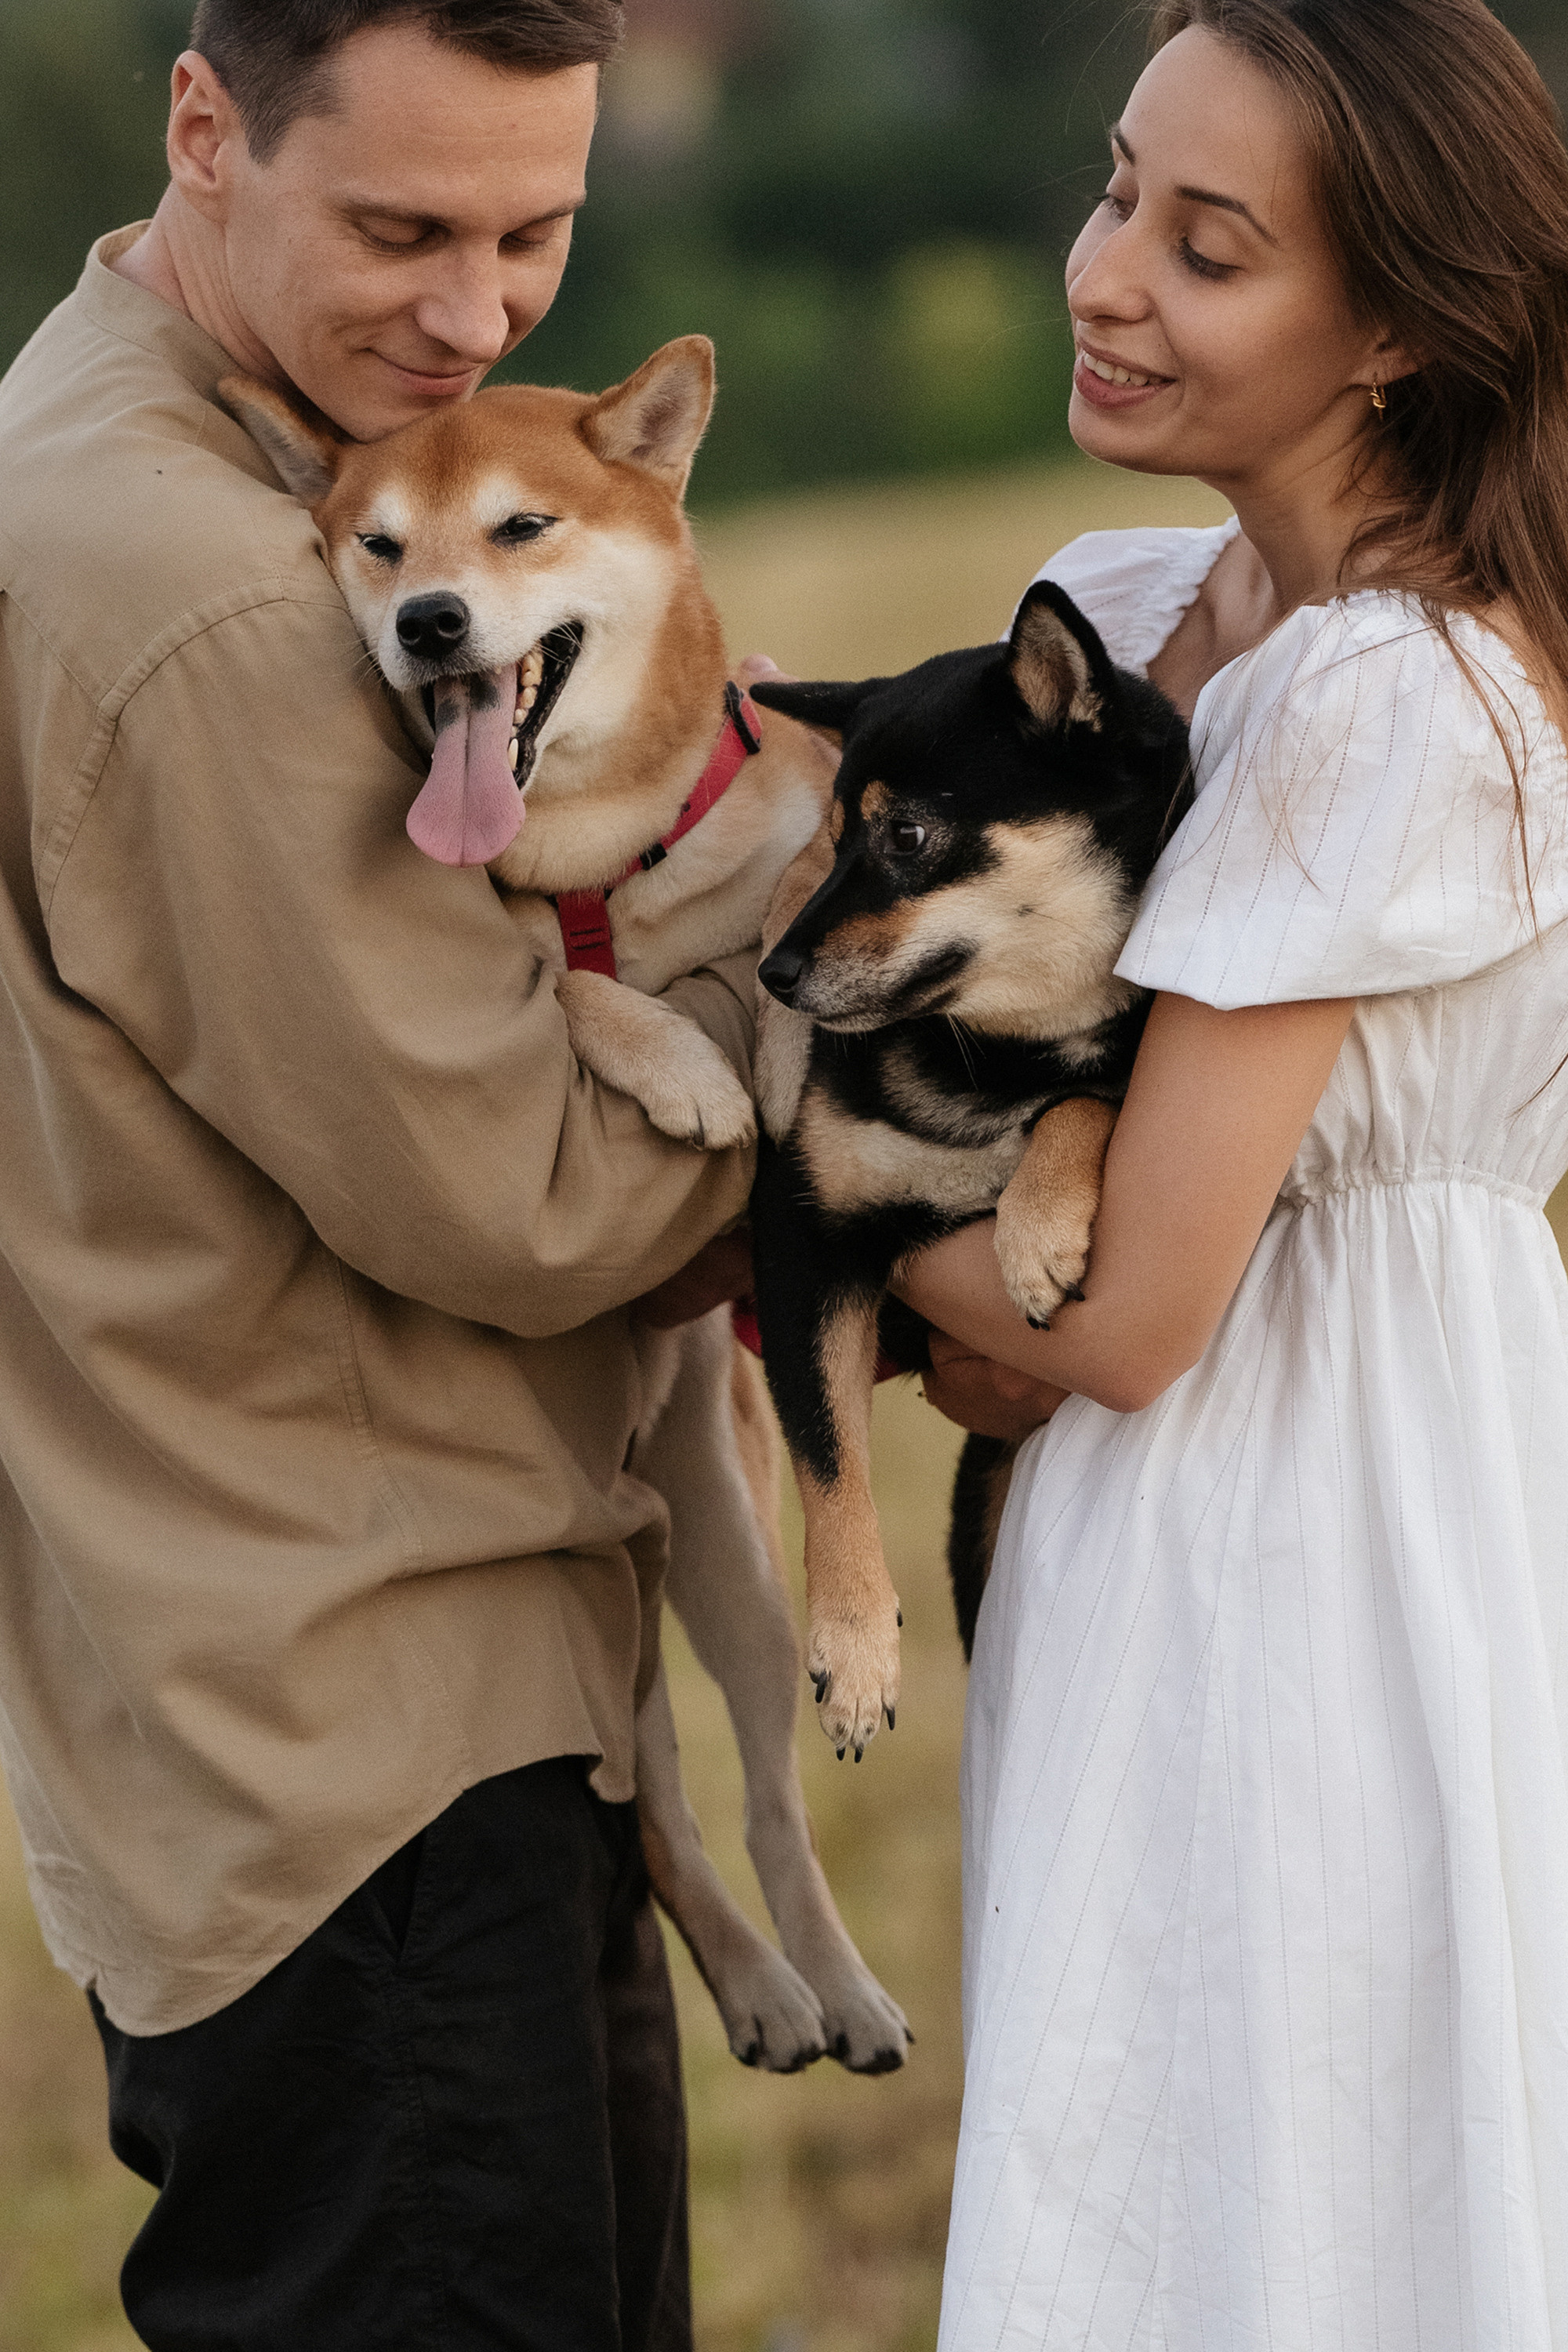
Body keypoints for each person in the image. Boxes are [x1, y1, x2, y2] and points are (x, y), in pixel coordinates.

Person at [0, 2, 760, 2343]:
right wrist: (833, 1041)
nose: (473, 314)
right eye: (403, 228)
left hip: (249, 1717)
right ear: (205, 131)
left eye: (536, 229)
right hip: (383, 1757)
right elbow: (529, 1200)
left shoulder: (97, 436)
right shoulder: (214, 595)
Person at [897, 0, 1568, 2341]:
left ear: (1393, 328)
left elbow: (1146, 1303)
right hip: (1151, 1547)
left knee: (1285, 2201)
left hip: (1331, 1554)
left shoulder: (1400, 693)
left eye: (1208, 249)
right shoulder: (1130, 613)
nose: (1106, 275)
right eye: (1112, 192)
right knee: (1159, 2176)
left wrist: (822, 1241)